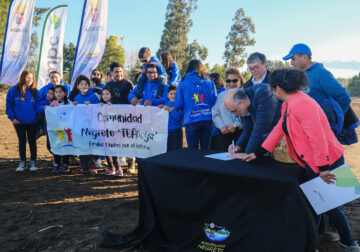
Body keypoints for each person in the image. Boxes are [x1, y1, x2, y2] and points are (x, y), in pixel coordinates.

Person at [235, 69, 360, 252]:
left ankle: (349, 243)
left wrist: (323, 168)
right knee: (315, 203)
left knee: (330, 206)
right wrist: (259, 153)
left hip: (326, 161)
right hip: (315, 162)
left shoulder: (301, 104)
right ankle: (313, 241)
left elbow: (317, 138)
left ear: (278, 88)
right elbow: (280, 129)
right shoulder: (291, 101)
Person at [282, 43, 352, 142]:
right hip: (308, 130)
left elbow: (344, 97)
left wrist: (331, 120)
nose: (291, 63)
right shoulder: (299, 75)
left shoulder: (320, 73)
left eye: (293, 59)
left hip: (323, 132)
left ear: (305, 57)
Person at [224, 84, 281, 155]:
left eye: (234, 111)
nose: (234, 115)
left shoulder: (263, 93)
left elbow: (261, 129)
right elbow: (248, 128)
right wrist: (238, 146)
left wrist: (248, 153)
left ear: (242, 102)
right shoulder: (244, 103)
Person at [174, 59, 217, 150]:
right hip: (208, 119)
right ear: (201, 68)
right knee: (206, 150)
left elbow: (178, 104)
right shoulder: (210, 82)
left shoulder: (183, 83)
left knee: (192, 152)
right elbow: (214, 101)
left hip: (191, 120)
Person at [6, 70, 43, 172]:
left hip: (32, 122)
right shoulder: (13, 90)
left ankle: (33, 162)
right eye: (28, 77)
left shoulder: (36, 91)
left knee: (32, 141)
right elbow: (9, 106)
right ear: (23, 77)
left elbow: (39, 105)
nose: (30, 80)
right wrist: (13, 118)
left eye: (31, 78)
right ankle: (22, 162)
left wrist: (42, 109)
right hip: (19, 122)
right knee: (22, 141)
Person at [211, 68, 244, 152]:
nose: (231, 83)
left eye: (234, 80)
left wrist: (236, 125)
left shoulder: (245, 94)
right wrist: (221, 126)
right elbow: (215, 113)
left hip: (242, 134)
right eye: (228, 81)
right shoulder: (221, 96)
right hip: (224, 135)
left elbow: (247, 114)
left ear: (239, 80)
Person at [72, 75, 99, 175]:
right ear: (78, 86)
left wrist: (91, 105)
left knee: (90, 145)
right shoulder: (76, 97)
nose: (84, 86)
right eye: (81, 84)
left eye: (86, 84)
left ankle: (91, 166)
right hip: (80, 126)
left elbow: (97, 110)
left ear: (89, 86)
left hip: (91, 125)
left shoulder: (93, 96)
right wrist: (74, 106)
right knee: (81, 145)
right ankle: (83, 166)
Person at [99, 86, 124, 177]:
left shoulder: (116, 105)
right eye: (103, 94)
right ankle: (110, 167)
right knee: (106, 149)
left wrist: (112, 108)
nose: (105, 96)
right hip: (103, 131)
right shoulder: (100, 104)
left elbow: (121, 117)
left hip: (114, 132)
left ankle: (118, 168)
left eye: (107, 94)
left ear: (112, 95)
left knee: (113, 150)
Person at [48, 85, 71, 173]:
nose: (59, 94)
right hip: (57, 129)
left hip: (67, 129)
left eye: (61, 92)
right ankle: (57, 164)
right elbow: (50, 114)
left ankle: (65, 164)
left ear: (65, 93)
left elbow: (74, 110)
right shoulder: (54, 103)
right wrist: (49, 108)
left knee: (66, 146)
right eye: (57, 92)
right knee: (56, 145)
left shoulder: (69, 102)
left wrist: (75, 105)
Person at [158, 85, 184, 151]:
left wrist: (170, 110)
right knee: (167, 151)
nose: (173, 96)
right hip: (166, 132)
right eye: (171, 94)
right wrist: (160, 108)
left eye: (175, 94)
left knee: (175, 152)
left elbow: (179, 117)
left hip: (176, 132)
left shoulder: (180, 104)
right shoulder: (166, 104)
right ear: (168, 95)